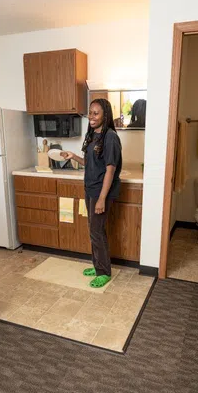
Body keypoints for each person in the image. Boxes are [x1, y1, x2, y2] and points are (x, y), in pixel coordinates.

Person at [61, 99, 123, 288]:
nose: (92, 116)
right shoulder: (92, 135)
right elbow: (91, 163)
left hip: (100, 192)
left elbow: (110, 170)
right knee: (93, 231)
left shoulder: (110, 137)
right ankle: (98, 267)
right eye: (90, 112)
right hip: (90, 189)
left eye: (96, 113)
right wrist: (74, 157)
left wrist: (102, 198)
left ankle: (104, 271)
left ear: (105, 115)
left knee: (97, 232)